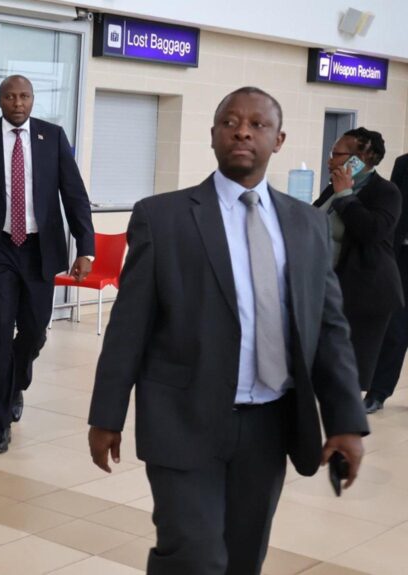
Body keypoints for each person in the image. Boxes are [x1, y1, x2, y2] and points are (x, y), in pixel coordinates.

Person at [87, 87, 368, 575]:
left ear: (278, 140)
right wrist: (106, 414)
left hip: (268, 425)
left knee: (243, 559)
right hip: (184, 418)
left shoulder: (306, 225)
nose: (243, 131)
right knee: (193, 556)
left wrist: (345, 420)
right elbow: (129, 324)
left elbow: (328, 328)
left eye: (258, 125)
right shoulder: (164, 217)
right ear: (212, 135)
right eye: (230, 122)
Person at [0, 75, 95, 454]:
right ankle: (0, 419)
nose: (18, 103)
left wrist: (86, 249)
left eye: (24, 96)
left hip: (39, 252)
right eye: (10, 96)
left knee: (34, 332)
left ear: (32, 99)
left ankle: (18, 378)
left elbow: (74, 195)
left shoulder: (53, 137)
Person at [314, 128, 402, 395]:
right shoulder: (334, 186)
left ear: (360, 158)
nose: (330, 160)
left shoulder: (386, 192)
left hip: (365, 292)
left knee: (348, 374)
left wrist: (344, 197)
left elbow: (371, 231)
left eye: (337, 154)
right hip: (328, 287)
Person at [367, 152, 408, 412]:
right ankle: (378, 392)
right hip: (402, 256)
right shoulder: (404, 163)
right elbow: (394, 211)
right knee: (395, 327)